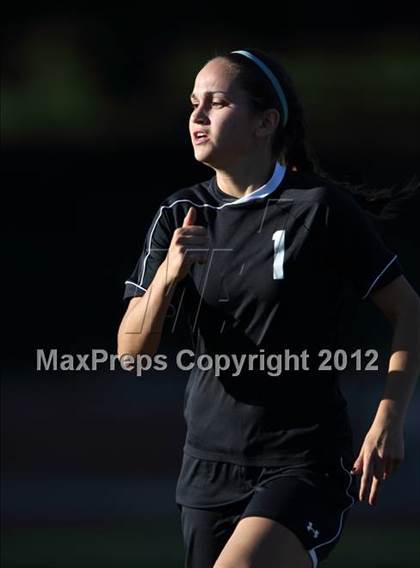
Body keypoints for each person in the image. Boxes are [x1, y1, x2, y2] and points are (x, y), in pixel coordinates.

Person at [117, 48, 420, 568]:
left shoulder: (319, 209)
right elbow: (131, 354)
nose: (197, 116)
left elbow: (410, 310)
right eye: (194, 103)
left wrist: (389, 416)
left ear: (265, 122)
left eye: (216, 102)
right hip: (207, 467)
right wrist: (168, 275)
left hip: (303, 462)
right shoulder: (178, 215)